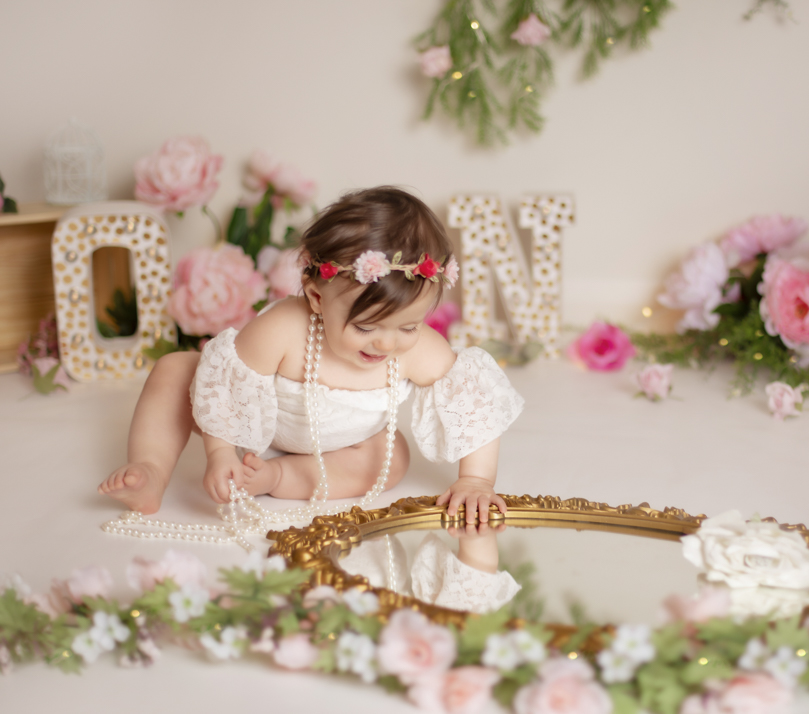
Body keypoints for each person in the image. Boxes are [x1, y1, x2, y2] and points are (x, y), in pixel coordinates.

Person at [98, 186, 523, 525]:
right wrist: (220, 454)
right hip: (255, 423)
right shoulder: (283, 328)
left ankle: (278, 478)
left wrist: (476, 479)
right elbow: (227, 386)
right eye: (365, 327)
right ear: (318, 296)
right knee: (176, 369)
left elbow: (475, 407)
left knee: (391, 460)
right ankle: (150, 469)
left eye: (408, 327)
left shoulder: (419, 350)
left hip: (345, 443)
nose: (387, 344)